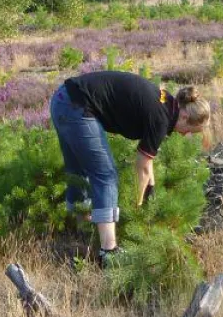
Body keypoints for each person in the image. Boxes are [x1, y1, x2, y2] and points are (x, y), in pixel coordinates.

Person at [48, 69, 212, 263]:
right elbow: (141, 166)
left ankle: (77, 229)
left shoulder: (165, 104)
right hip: (77, 107)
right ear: (184, 117)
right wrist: (138, 204)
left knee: (78, 171)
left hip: (62, 98)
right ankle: (108, 253)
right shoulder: (161, 118)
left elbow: (147, 164)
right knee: (106, 176)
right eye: (190, 130)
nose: (186, 135)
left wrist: (150, 192)